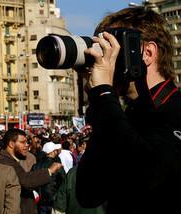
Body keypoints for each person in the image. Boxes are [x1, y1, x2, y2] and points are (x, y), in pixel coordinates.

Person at [75, 6, 181, 214]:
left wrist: (104, 96)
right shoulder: (126, 116)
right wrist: (102, 99)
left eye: (113, 50)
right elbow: (89, 193)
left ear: (147, 53)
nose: (106, 58)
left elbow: (148, 175)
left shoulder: (175, 109)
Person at [0, 128, 62, 214]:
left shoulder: (14, 160)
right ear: (11, 144)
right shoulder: (5, 161)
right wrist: (49, 171)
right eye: (22, 142)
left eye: (27, 142)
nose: (27, 145)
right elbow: (25, 180)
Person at [32, 142, 65, 214]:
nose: (56, 152)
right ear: (52, 152)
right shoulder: (57, 166)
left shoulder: (36, 165)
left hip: (41, 200)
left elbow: (33, 182)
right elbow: (63, 182)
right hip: (53, 199)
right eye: (55, 150)